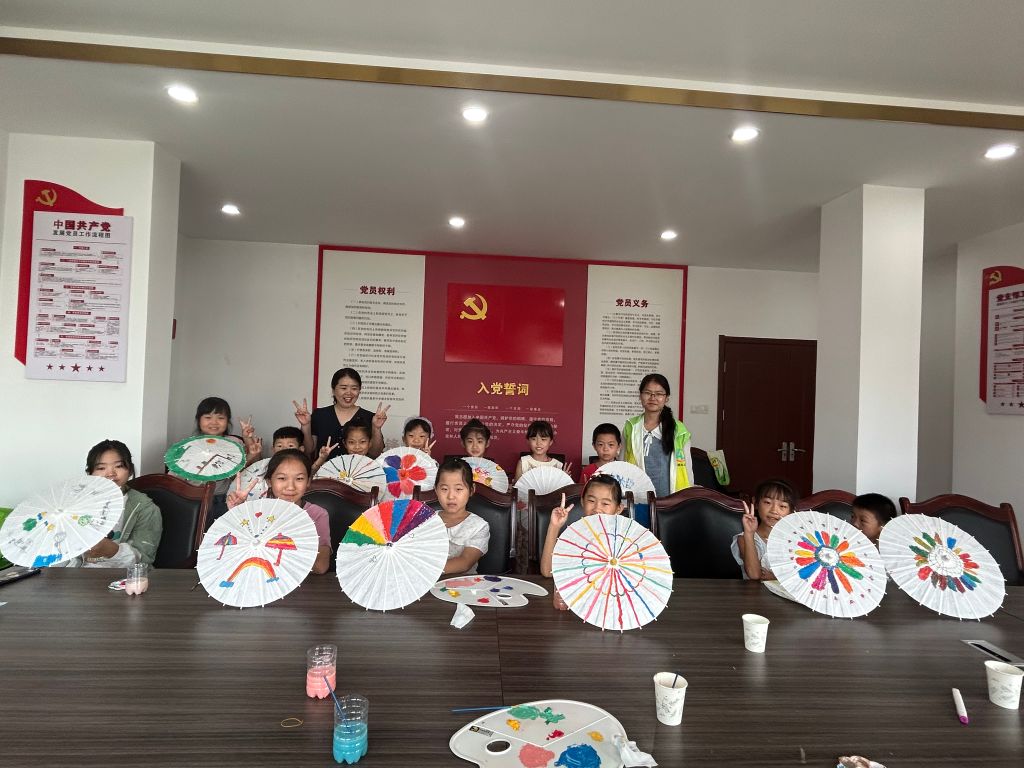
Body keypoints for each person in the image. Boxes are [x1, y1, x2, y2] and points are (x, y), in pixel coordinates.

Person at [59, 440, 162, 568]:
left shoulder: (145, 508)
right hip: (76, 575)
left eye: (119, 466)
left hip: (120, 576)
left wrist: (112, 550)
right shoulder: (77, 504)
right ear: (90, 473)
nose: (111, 473)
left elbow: (145, 559)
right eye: (101, 468)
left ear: (130, 470)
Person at [227, 449, 331, 575]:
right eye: (282, 478)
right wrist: (238, 513)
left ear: (308, 481)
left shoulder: (317, 514)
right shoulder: (257, 513)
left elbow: (321, 566)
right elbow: (238, 555)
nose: (290, 487)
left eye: (299, 478)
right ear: (269, 481)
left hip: (303, 582)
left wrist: (283, 546)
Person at [540, 475, 624, 610]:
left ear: (618, 509)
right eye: (591, 500)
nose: (597, 508)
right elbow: (547, 571)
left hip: (609, 607)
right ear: (583, 502)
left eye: (605, 503)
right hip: (577, 606)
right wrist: (554, 526)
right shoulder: (575, 536)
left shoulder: (624, 542)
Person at [180, 396, 247, 526]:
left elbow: (240, 472)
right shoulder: (188, 446)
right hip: (192, 498)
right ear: (198, 420)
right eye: (208, 417)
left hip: (222, 499)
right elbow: (174, 477)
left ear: (228, 421)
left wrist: (252, 452)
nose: (214, 422)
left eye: (220, 418)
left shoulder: (234, 443)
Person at [623, 374, 693, 498]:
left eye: (659, 394)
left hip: (672, 498)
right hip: (638, 496)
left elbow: (687, 468)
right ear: (640, 396)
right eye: (647, 393)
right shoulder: (631, 426)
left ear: (666, 398)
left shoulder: (679, 430)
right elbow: (622, 462)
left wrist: (689, 497)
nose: (653, 398)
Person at [310, 368, 389, 461]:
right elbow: (309, 449)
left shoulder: (370, 417)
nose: (349, 393)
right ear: (333, 390)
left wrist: (376, 428)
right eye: (343, 388)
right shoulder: (319, 415)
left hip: (359, 470)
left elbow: (375, 453)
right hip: (324, 469)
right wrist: (305, 425)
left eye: (354, 388)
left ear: (359, 390)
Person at [731, 479, 797, 580]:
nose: (774, 510)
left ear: (791, 512)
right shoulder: (743, 538)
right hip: (754, 590)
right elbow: (755, 575)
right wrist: (749, 533)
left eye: (782, 506)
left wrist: (774, 577)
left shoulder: (794, 541)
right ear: (756, 503)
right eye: (767, 502)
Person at [434, 458, 490, 575]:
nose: (451, 496)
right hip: (424, 582)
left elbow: (464, 563)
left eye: (458, 489)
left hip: (463, 583)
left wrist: (425, 569)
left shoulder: (479, 526)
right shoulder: (424, 520)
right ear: (436, 490)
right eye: (444, 489)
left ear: (471, 490)